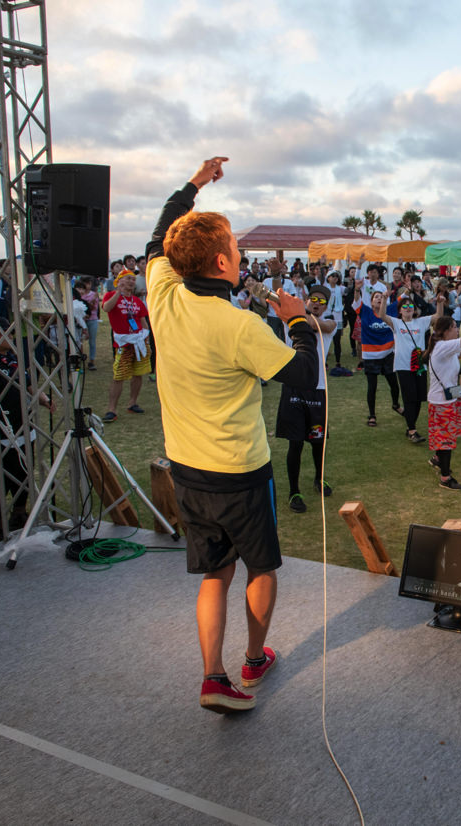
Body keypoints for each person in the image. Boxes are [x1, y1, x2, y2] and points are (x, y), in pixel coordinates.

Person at [145, 157, 319, 713]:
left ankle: (212, 677)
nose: (241, 254)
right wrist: (297, 320)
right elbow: (302, 372)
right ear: (222, 261)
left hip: (186, 469)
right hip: (241, 472)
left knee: (214, 573)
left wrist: (195, 184)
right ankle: (253, 657)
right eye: (236, 248)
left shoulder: (163, 294)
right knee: (260, 567)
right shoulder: (240, 325)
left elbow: (159, 235)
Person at [0, 325, 55, 543]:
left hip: (24, 427)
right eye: (7, 334)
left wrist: (44, 400)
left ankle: (19, 513)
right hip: (1, 431)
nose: (12, 338)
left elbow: (29, 385)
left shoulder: (13, 359)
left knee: (24, 471)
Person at [276, 284, 335, 514]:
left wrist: (299, 314)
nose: (317, 304)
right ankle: (294, 491)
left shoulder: (329, 323)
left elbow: (324, 326)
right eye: (313, 299)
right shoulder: (290, 321)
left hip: (318, 390)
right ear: (306, 299)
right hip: (294, 388)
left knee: (318, 442)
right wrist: (277, 279)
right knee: (296, 443)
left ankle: (319, 479)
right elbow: (277, 297)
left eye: (322, 301)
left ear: (326, 306)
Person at [423, 316, 461, 490]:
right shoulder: (442, 346)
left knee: (444, 436)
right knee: (446, 441)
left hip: (448, 398)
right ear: (446, 331)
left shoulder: (445, 348)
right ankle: (445, 478)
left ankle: (437, 459)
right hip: (442, 403)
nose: (458, 330)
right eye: (455, 327)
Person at [382, 291, 441, 443]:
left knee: (419, 398)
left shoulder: (420, 322)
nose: (408, 308)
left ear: (414, 309)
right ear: (400, 310)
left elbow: (437, 317)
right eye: (404, 306)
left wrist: (440, 303)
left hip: (419, 365)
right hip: (403, 366)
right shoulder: (396, 323)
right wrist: (384, 299)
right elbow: (382, 316)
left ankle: (410, 427)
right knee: (409, 397)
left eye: (410, 306)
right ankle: (412, 430)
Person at [100, 271, 150, 422]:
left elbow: (143, 321)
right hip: (123, 342)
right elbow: (106, 308)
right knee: (119, 376)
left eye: (133, 279)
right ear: (119, 280)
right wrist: (118, 292)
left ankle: (132, 403)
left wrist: (147, 341)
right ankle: (112, 409)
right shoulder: (110, 295)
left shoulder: (137, 301)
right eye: (128, 278)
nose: (131, 281)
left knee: (138, 373)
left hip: (139, 341)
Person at [354, 289, 402, 427]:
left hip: (388, 354)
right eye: (376, 297)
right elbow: (356, 299)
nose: (379, 299)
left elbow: (403, 297)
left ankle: (396, 405)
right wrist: (357, 288)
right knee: (372, 387)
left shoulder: (390, 310)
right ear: (371, 302)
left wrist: (408, 287)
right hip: (370, 356)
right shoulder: (365, 311)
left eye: (381, 297)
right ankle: (372, 415)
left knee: (394, 385)